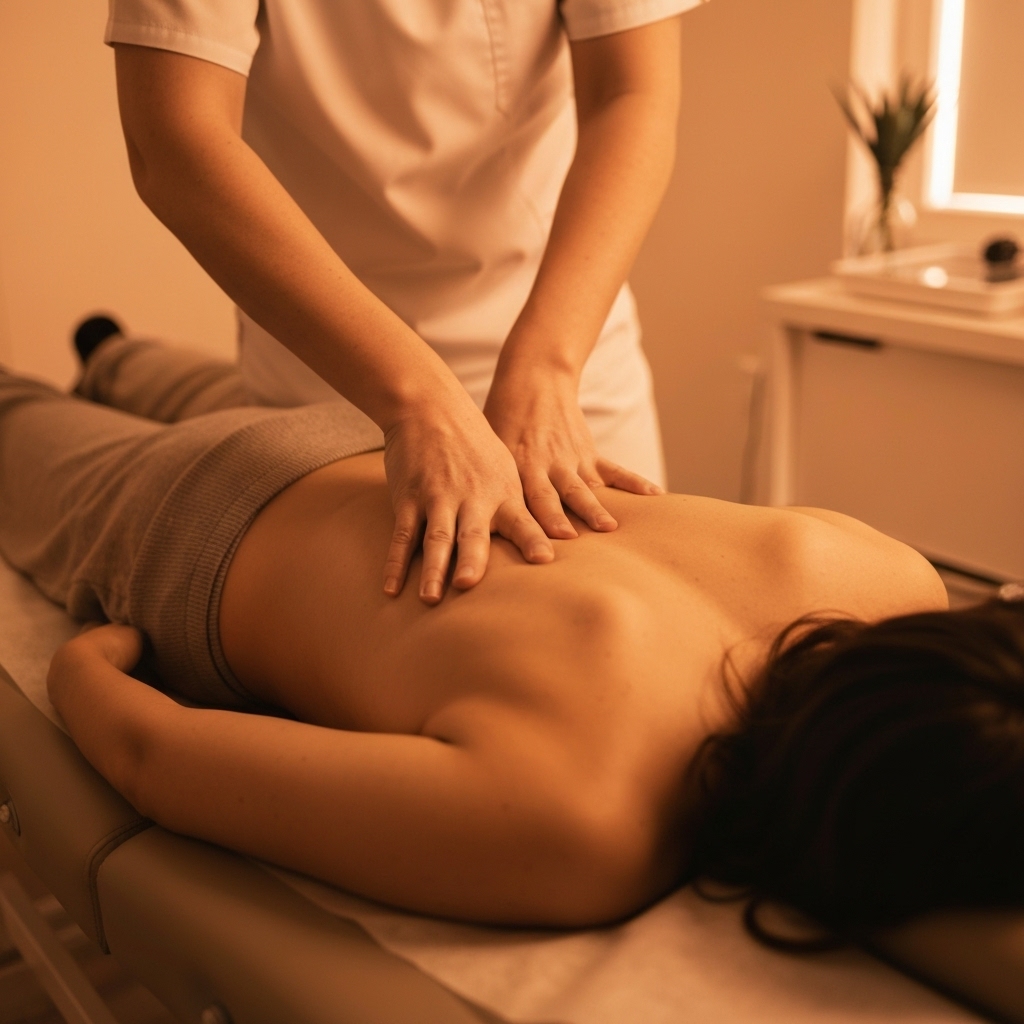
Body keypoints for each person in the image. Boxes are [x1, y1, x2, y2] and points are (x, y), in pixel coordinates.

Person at [2, 339, 1022, 937]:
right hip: (189, 520)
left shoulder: (887, 572)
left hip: (399, 440)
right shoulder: (588, 821)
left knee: (172, 379)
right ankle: (97, 362)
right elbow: (154, 757)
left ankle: (113, 349)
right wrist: (86, 664)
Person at [103, 0, 707, 604]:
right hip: (335, 351)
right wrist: (418, 404)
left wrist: (549, 367)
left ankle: (114, 359)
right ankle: (115, 361)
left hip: (562, 335)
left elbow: (634, 93)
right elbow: (174, 137)